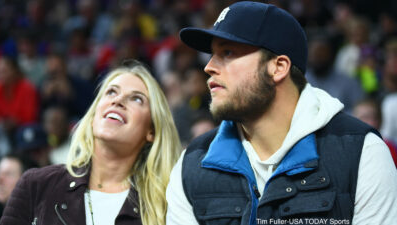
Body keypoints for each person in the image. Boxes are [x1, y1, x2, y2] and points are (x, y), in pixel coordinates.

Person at [166, 2, 397, 225]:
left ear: (278, 67)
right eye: (212, 54)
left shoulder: (362, 152)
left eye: (227, 52)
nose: (209, 67)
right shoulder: (190, 165)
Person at [1, 60, 181, 225]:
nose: (117, 100)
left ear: (151, 131)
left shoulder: (168, 205)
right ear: (94, 114)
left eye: (136, 98)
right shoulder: (35, 185)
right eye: (111, 92)